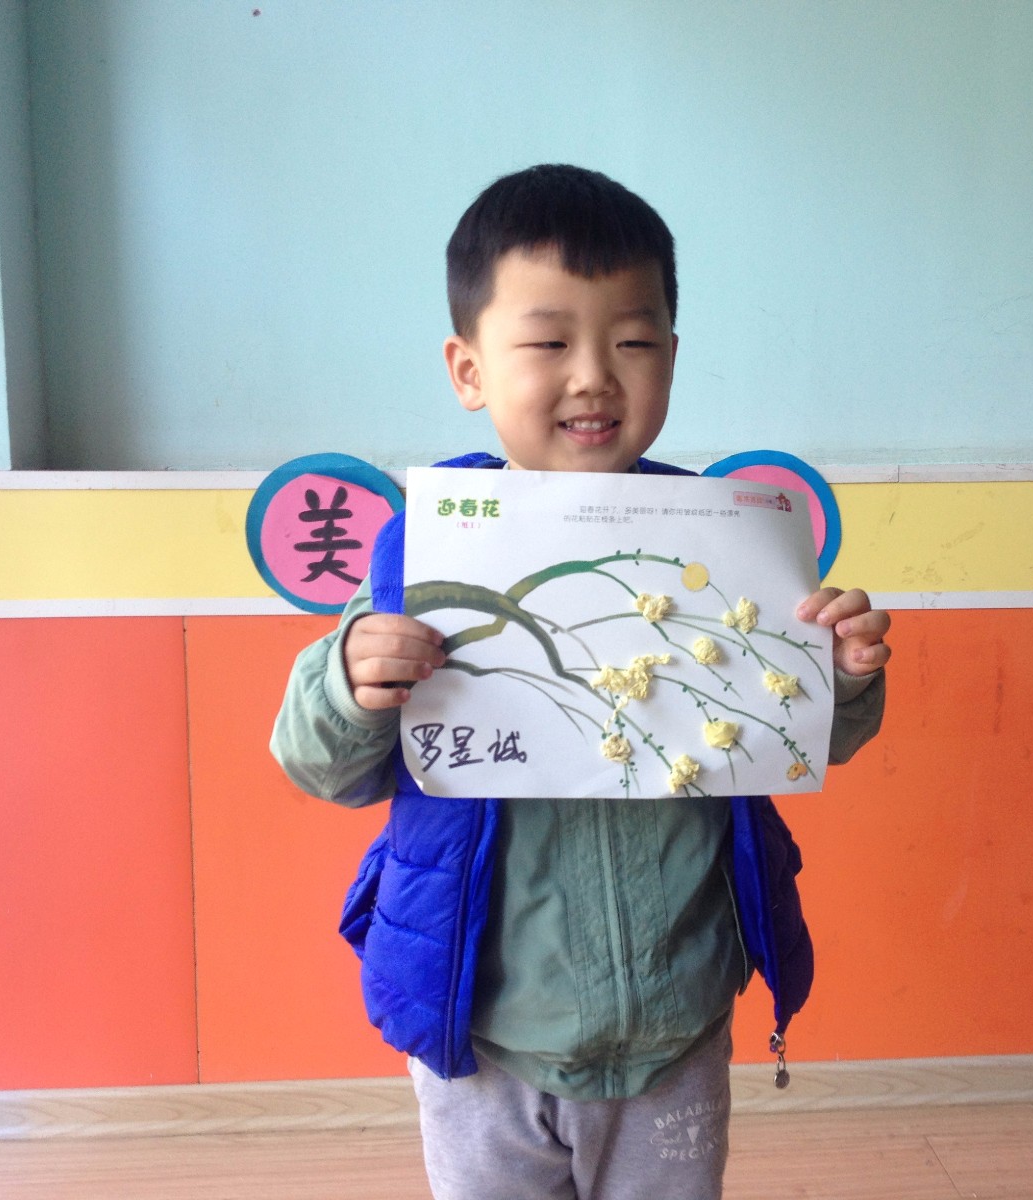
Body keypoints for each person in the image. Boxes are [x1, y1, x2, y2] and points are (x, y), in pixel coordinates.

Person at [271, 163, 890, 1200]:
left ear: (671, 358)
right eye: (549, 342)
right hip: (480, 1029)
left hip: (674, 1024)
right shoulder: (424, 556)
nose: (595, 375)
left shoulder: (723, 547)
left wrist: (839, 675)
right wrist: (347, 680)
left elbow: (802, 738)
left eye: (633, 342)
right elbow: (320, 765)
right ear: (469, 369)